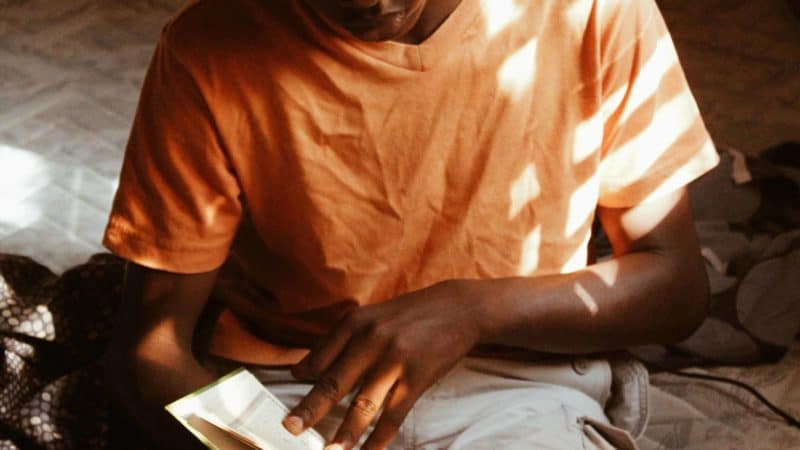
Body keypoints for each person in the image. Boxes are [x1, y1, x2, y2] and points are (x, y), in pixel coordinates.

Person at [102, 0, 720, 448]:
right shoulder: (210, 47)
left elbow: (677, 287)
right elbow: (151, 351)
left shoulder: (592, 13)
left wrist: (473, 311)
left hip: (519, 383)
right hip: (295, 389)